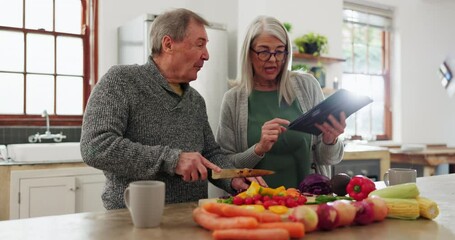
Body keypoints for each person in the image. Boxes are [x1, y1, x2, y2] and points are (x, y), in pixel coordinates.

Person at [80, 8, 265, 210]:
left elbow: (210, 155)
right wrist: (172, 160)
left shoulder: (195, 100)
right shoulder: (121, 81)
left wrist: (234, 179)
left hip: (190, 218)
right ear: (168, 44)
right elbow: (95, 146)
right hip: (132, 219)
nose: (206, 55)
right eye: (200, 44)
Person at [215, 16, 346, 189]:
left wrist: (330, 141)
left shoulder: (307, 86)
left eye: (279, 51)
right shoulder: (233, 99)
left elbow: (329, 159)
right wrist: (258, 149)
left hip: (308, 201)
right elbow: (224, 166)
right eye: (264, 51)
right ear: (249, 53)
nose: (273, 59)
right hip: (257, 204)